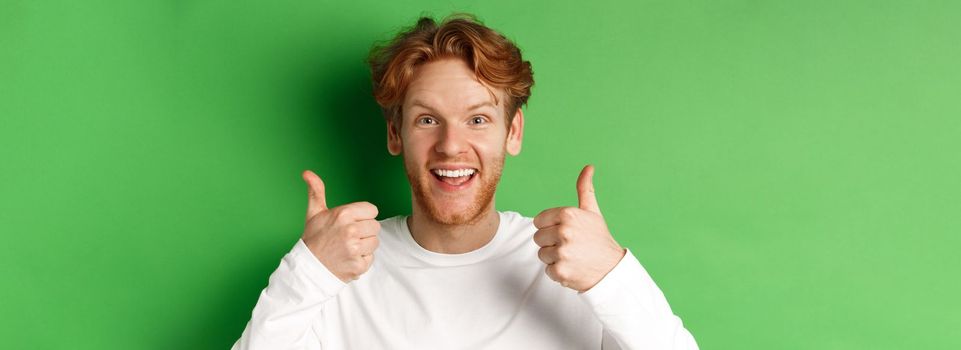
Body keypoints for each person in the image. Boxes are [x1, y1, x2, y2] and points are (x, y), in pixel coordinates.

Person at [233, 13, 698, 350]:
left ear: (512, 132)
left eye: (477, 119)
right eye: (427, 120)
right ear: (396, 134)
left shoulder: (575, 269)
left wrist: (613, 276)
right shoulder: (336, 274)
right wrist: (309, 273)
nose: (451, 145)